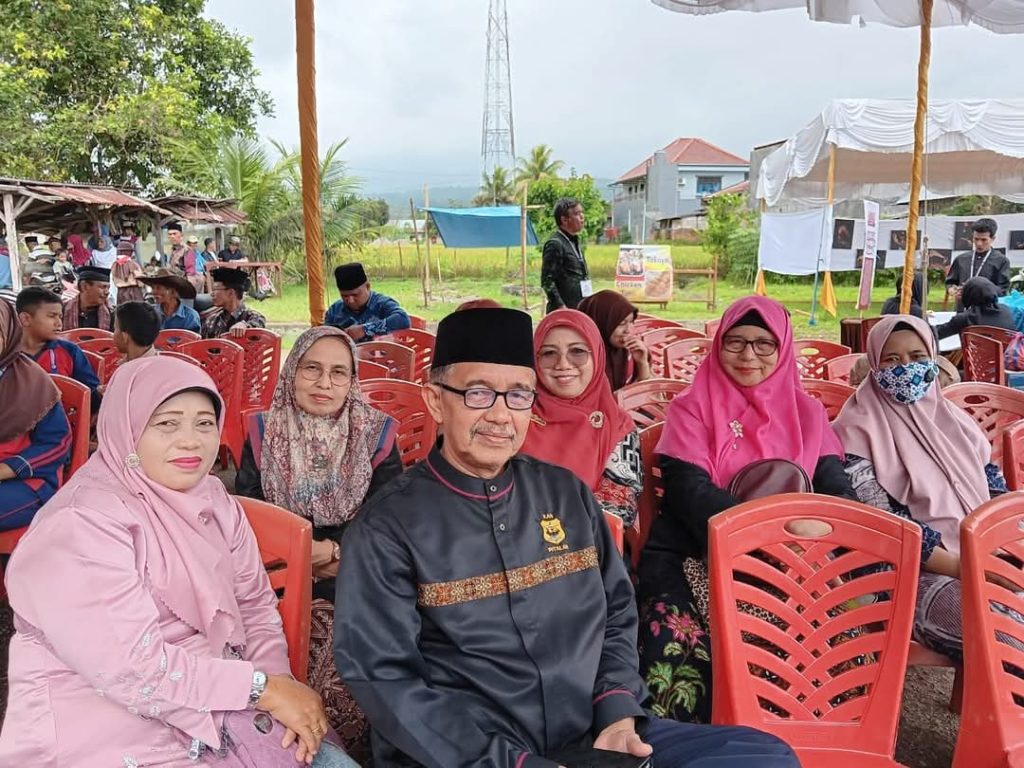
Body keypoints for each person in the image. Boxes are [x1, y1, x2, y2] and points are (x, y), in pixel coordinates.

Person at [333, 306, 799, 768]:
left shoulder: (565, 494)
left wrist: (617, 712)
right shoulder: (387, 526)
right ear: (436, 401)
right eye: (478, 394)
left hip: (592, 732)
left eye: (519, 395)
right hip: (477, 754)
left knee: (764, 757)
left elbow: (616, 611)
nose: (501, 416)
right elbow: (384, 676)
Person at [0, 357, 359, 767]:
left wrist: (277, 687)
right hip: (103, 718)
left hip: (223, 691)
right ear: (127, 429)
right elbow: (131, 668)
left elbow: (255, 606)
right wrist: (261, 690)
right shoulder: (79, 526)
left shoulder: (214, 500)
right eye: (167, 424)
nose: (191, 441)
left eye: (204, 423)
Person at [636, 296, 857, 723]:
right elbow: (689, 493)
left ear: (783, 348)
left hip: (795, 562)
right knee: (677, 655)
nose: (748, 355)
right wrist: (771, 535)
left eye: (763, 343)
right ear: (718, 344)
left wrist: (810, 534)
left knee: (841, 647)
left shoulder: (808, 414)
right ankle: (696, 746)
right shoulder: (692, 407)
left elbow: (838, 493)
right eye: (735, 342)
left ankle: (798, 741)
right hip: (693, 550)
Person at [236, 326, 402, 757]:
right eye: (311, 369)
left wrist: (331, 551)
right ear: (292, 372)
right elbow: (248, 516)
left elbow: (388, 522)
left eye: (338, 372)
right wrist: (296, 557)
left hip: (357, 572)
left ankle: (343, 749)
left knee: (360, 655)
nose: (325, 383)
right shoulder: (263, 431)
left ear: (352, 380)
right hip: (273, 576)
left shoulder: (376, 435)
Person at [835, 314, 1008, 660]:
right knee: (1002, 638)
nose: (906, 369)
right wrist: (966, 567)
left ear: (932, 359)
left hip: (981, 555)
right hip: (903, 571)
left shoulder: (956, 422)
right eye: (892, 359)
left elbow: (994, 493)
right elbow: (887, 524)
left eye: (917, 357)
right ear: (874, 364)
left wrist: (1001, 551)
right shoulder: (854, 431)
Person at [521, 309, 642, 528]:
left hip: (587, 539)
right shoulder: (515, 414)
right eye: (549, 353)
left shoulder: (618, 425)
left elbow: (620, 503)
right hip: (512, 536)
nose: (562, 364)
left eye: (577, 351)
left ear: (597, 356)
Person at [0, 299, 72, 532]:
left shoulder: (32, 382)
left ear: (7, 333)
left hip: (26, 481)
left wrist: (6, 469)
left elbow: (58, 443)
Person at [17, 287, 102, 410]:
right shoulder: (7, 353)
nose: (59, 323)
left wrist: (100, 393)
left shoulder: (70, 351)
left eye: (60, 317)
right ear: (26, 319)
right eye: (52, 316)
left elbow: (90, 396)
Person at [578, 289, 653, 391]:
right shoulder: (584, 361)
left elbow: (650, 394)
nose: (628, 330)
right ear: (601, 323)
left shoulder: (633, 351)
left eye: (631, 322)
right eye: (622, 323)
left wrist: (642, 363)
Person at [324, 262, 410, 342]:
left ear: (367, 287)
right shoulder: (334, 311)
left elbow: (403, 319)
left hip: (380, 352)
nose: (350, 301)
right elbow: (324, 335)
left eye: (355, 295)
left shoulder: (381, 304)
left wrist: (365, 330)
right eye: (345, 296)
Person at [541, 197, 591, 313]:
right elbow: (547, 281)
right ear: (564, 220)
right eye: (577, 214)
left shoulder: (575, 241)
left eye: (582, 213)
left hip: (579, 308)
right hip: (564, 311)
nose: (582, 217)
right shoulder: (555, 244)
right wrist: (561, 307)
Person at [946, 218, 1010, 309]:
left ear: (993, 239)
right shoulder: (961, 259)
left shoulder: (1001, 261)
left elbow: (1002, 290)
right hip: (963, 309)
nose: (979, 243)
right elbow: (950, 282)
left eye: (984, 240)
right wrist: (953, 290)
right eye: (976, 239)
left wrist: (980, 292)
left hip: (988, 310)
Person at [934, 276, 1016, 340]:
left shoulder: (965, 318)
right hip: (1008, 355)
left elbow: (936, 334)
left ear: (969, 294)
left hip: (977, 356)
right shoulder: (1006, 311)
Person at [202, 267, 267, 339]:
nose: (211, 294)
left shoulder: (253, 317)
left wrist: (245, 325)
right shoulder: (212, 320)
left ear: (231, 293)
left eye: (215, 289)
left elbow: (259, 324)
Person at [139, 268, 202, 333]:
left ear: (173, 292)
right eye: (153, 288)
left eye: (158, 288)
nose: (153, 292)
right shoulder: (150, 314)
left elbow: (193, 338)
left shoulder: (190, 316)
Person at [62, 265, 114, 331]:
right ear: (85, 287)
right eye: (103, 287)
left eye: (108, 288)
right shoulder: (63, 310)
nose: (107, 292)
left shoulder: (111, 314)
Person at [112, 238, 146, 304]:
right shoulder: (133, 264)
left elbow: (113, 279)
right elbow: (140, 279)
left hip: (120, 292)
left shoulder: (115, 265)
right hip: (133, 292)